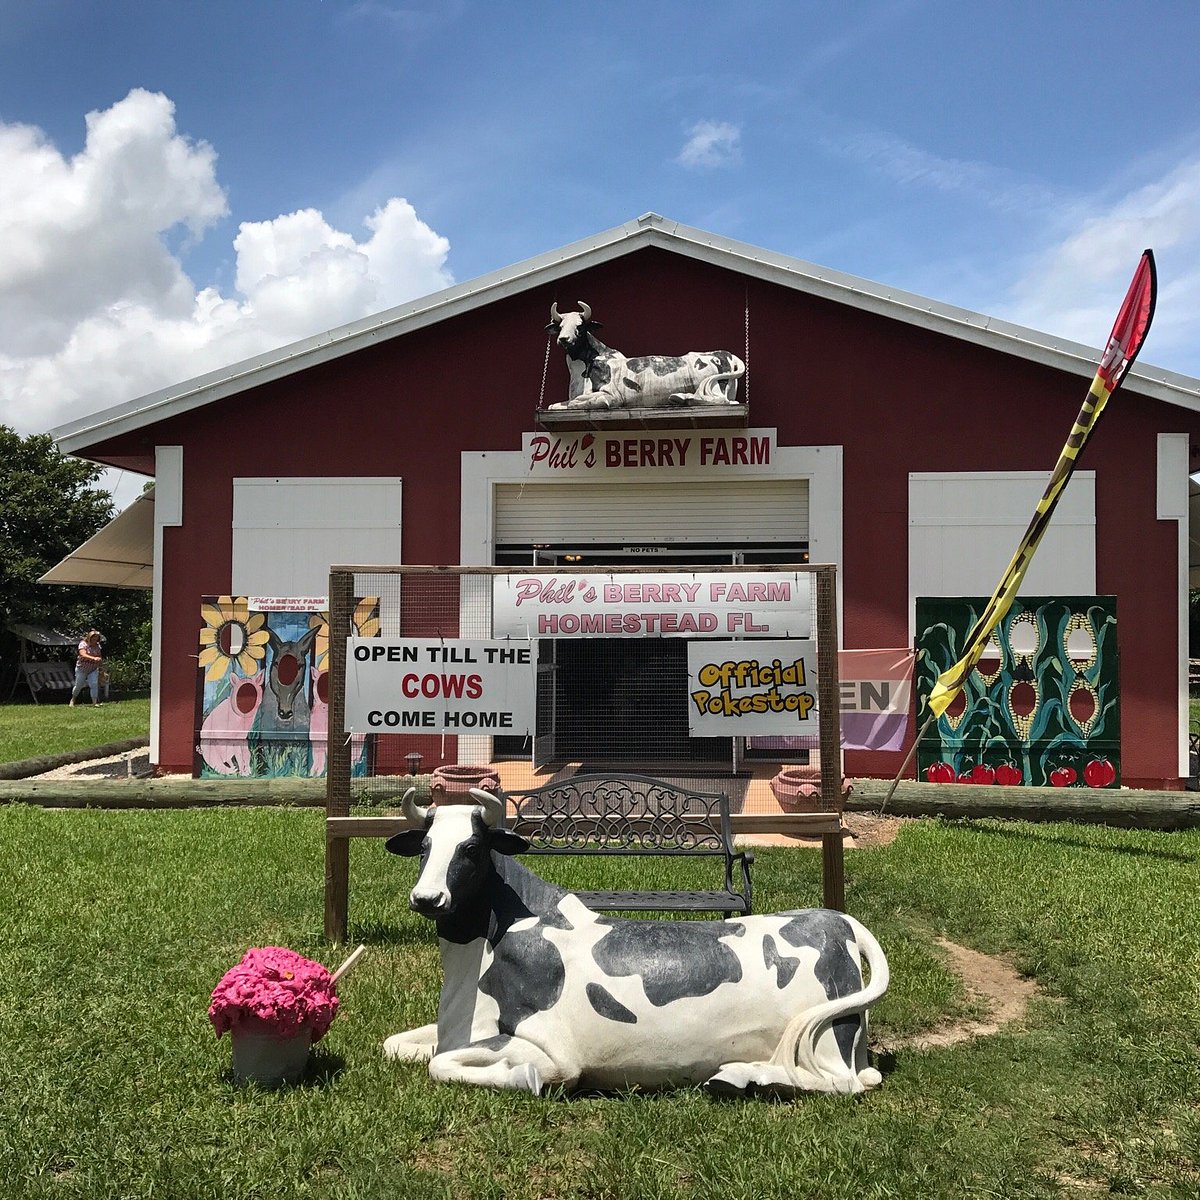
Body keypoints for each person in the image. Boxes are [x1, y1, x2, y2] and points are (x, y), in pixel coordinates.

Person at [69, 630, 104, 707]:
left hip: (93, 669)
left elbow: (99, 656)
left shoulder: (97, 646)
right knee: (78, 685)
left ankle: (94, 702)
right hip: (82, 669)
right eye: (93, 639)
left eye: (96, 639)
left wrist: (100, 664)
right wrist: (93, 658)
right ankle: (73, 700)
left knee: (94, 684)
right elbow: (83, 654)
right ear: (89, 638)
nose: (95, 641)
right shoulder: (83, 644)